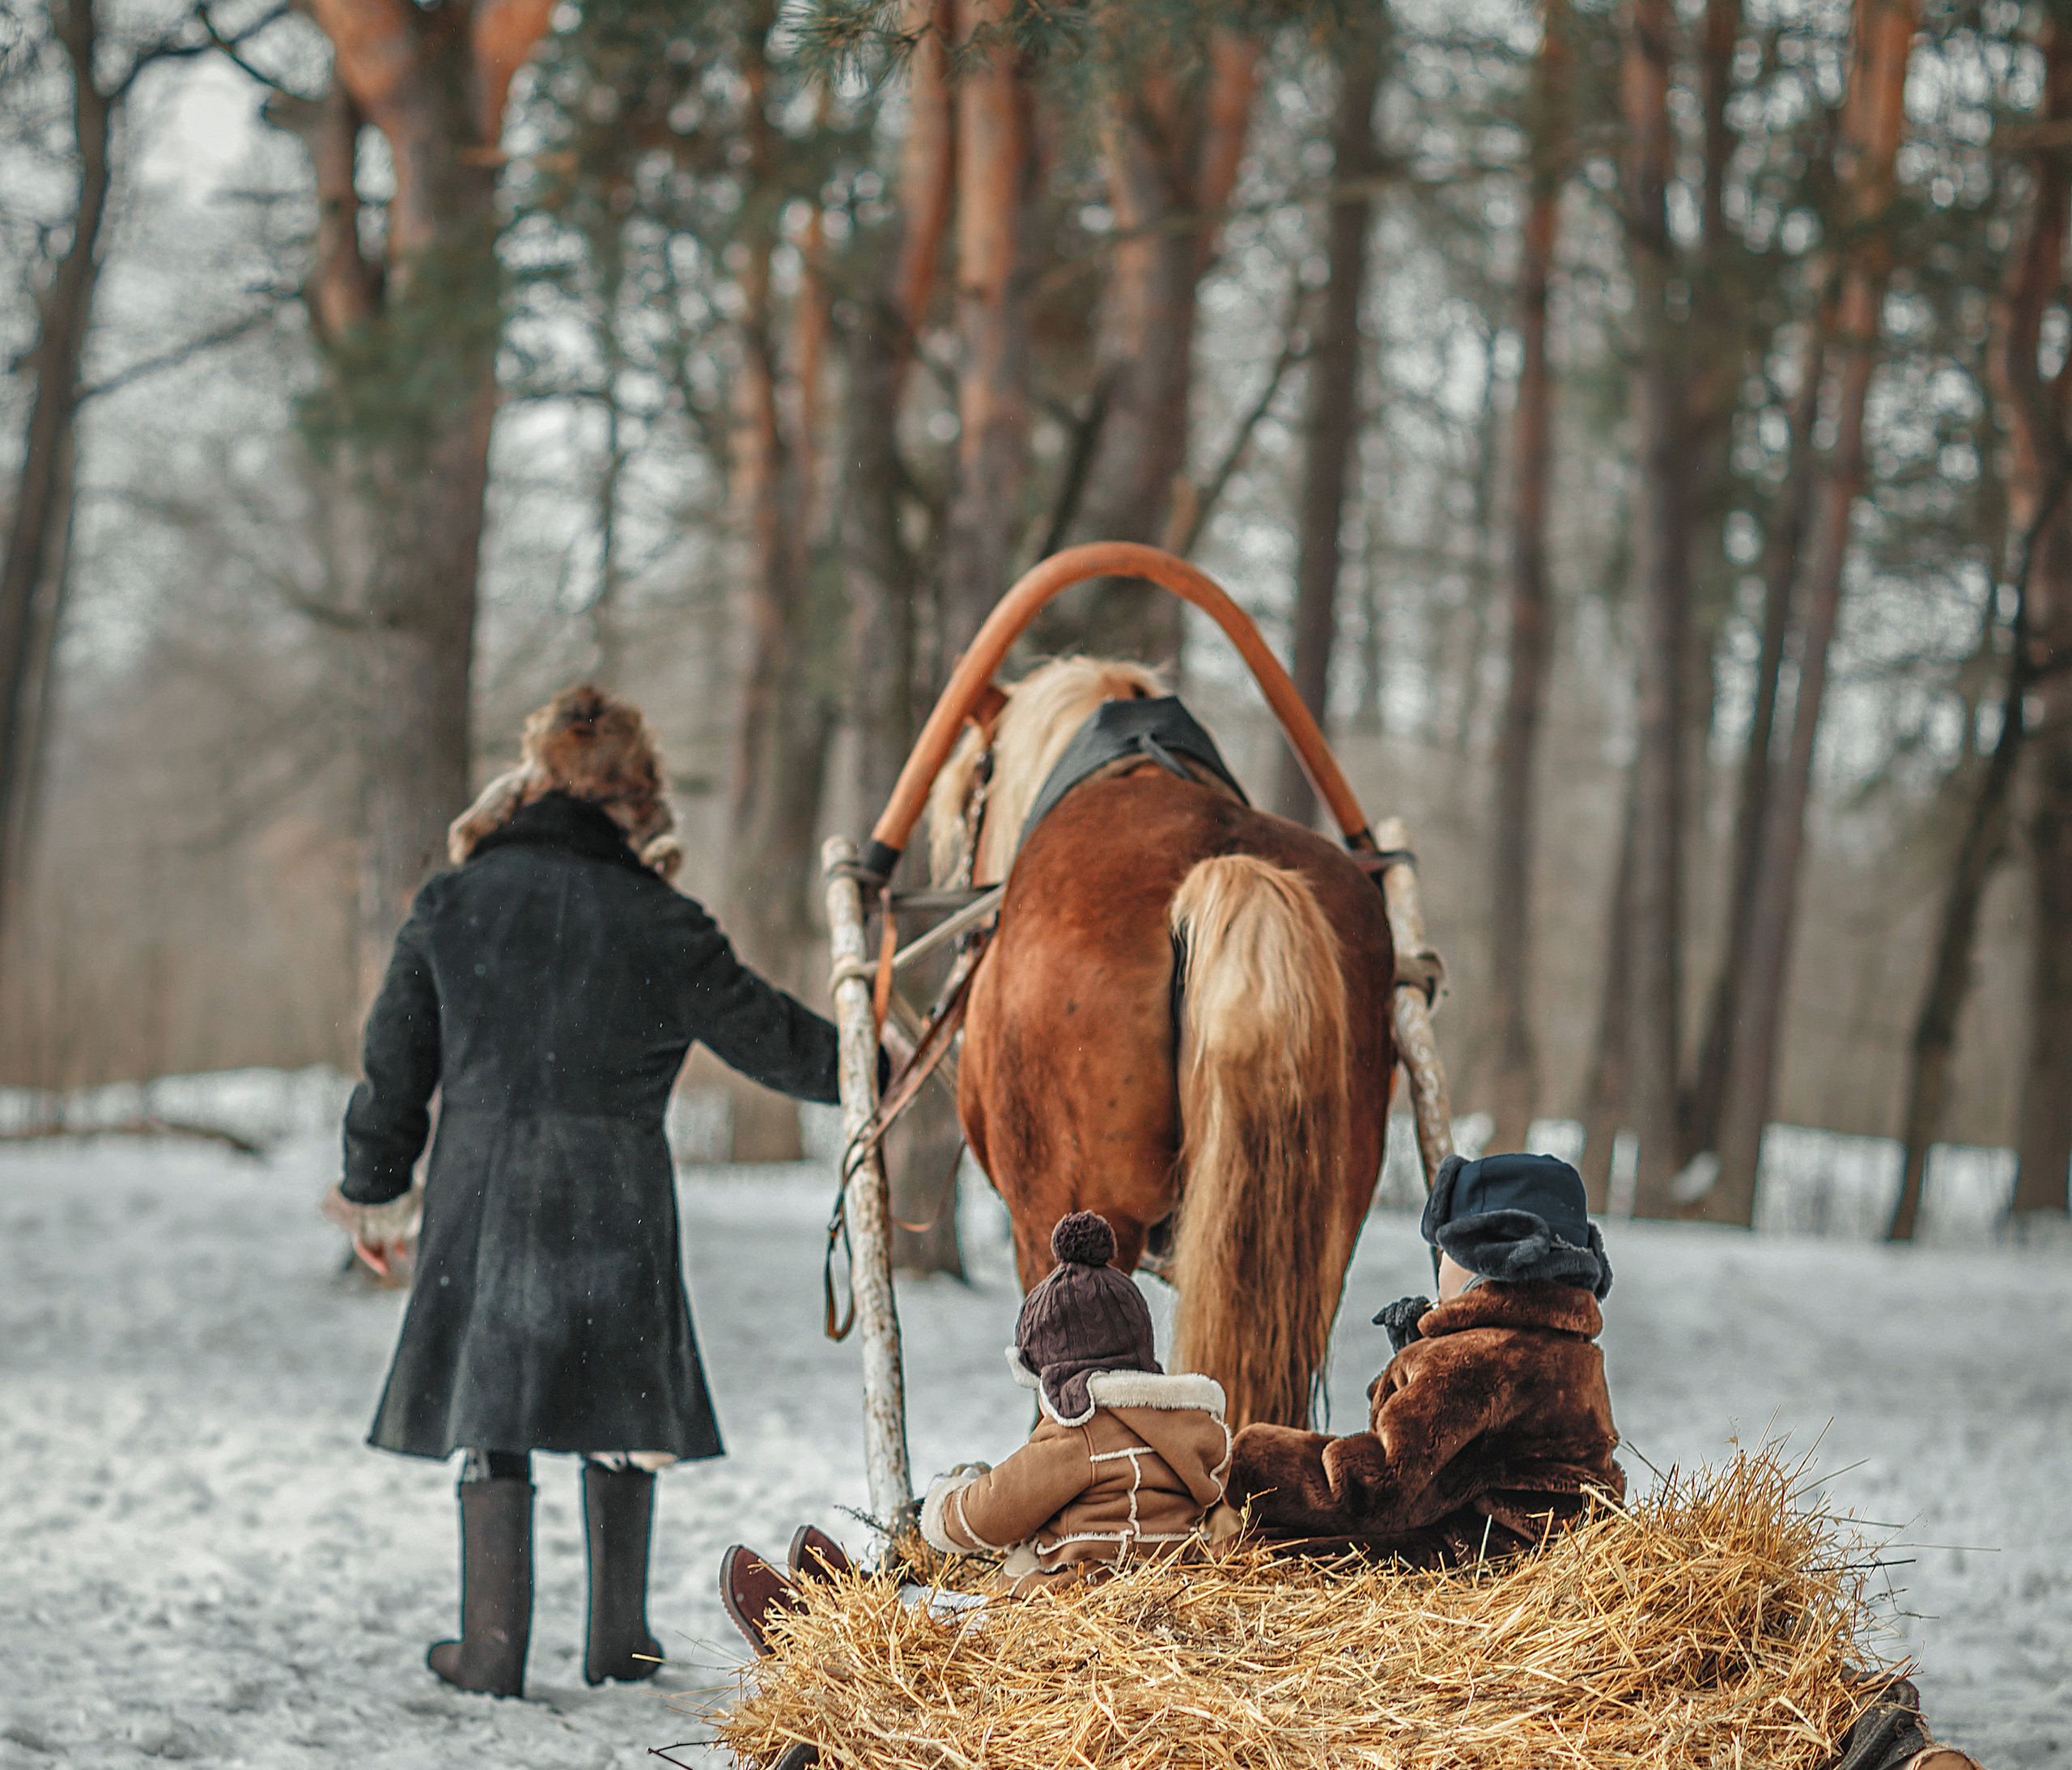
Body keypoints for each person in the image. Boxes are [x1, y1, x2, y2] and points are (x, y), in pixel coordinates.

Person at [325, 682, 853, 1700]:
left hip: (481, 1190)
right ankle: (623, 1643)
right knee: (618, 1408)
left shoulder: (454, 903)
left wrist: (375, 1190)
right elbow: (781, 1044)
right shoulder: (661, 919)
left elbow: (393, 1066)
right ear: (640, 794)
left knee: (493, 1413)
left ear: (536, 782)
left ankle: (489, 1652)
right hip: (617, 1194)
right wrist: (879, 1052)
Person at [719, 1210, 1237, 1649]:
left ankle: (828, 1623)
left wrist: (948, 1498)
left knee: (938, 1618)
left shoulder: (1081, 1434)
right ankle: (843, 1595)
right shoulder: (1192, 1431)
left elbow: (985, 1515)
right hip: (1152, 1610)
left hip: (1064, 1617)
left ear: (1057, 1378)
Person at [1224, 1151, 1624, 1564]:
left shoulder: (1471, 1360)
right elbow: (1475, 1457)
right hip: (1550, 1557)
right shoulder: (1575, 1356)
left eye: (1446, 1249)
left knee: (1263, 1550)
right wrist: (1417, 1353)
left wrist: (1245, 1462)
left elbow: (1375, 1490)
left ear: (1481, 1258)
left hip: (1478, 1560)